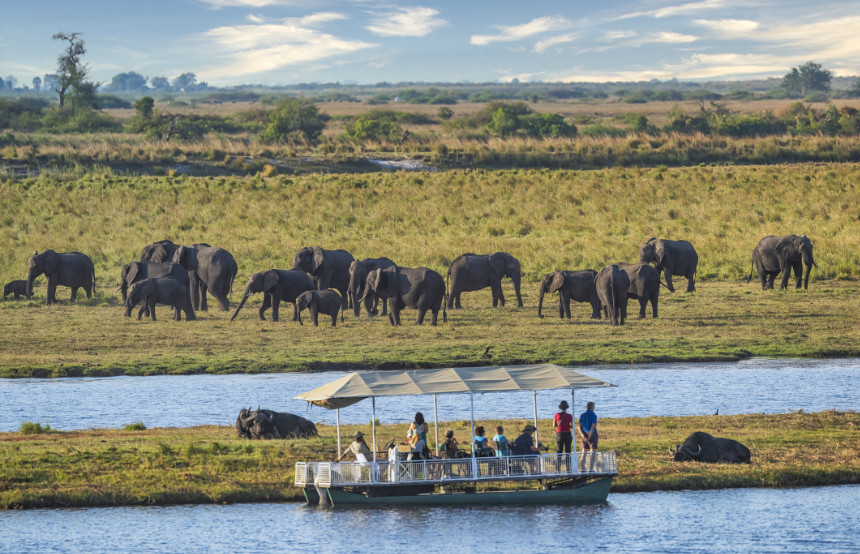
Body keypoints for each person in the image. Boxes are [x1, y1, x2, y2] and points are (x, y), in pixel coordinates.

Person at [578, 401, 598, 471]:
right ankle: (591, 468)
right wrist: (590, 435)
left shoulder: (582, 415)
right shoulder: (593, 415)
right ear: (592, 407)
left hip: (584, 434)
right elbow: (593, 426)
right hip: (592, 434)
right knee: (593, 451)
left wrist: (582, 434)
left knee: (584, 451)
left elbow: (579, 426)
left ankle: (583, 468)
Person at [554, 400, 574, 471]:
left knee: (559, 451)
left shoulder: (557, 415)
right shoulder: (570, 416)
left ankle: (558, 467)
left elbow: (554, 425)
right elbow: (572, 426)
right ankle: (568, 467)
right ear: (566, 408)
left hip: (560, 434)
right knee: (568, 451)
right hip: (567, 434)